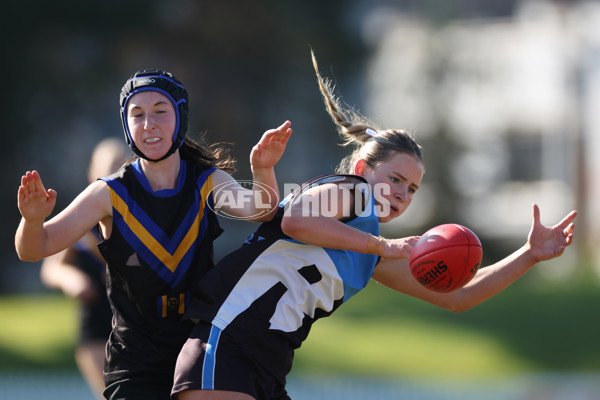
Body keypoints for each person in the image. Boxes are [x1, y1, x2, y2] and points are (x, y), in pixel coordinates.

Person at [170, 52, 577, 400]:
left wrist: (529, 256)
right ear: (363, 168)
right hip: (226, 344)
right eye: (396, 179)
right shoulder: (352, 192)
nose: (402, 193)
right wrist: (384, 247)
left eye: (413, 188)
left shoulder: (368, 250)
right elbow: (295, 220)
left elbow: (458, 297)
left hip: (267, 363)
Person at [15, 69, 292, 400]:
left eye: (160, 111)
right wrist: (31, 221)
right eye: (137, 114)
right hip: (136, 362)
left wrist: (264, 169)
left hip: (197, 351)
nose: (149, 124)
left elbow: (259, 210)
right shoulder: (108, 193)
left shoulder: (207, 181)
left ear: (180, 117)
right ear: (126, 124)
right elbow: (35, 249)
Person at [40, 137, 129, 400]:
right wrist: (72, 280)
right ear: (92, 174)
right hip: (95, 328)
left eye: (119, 169)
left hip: (133, 326)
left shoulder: (136, 217)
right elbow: (51, 269)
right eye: (105, 169)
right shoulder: (81, 222)